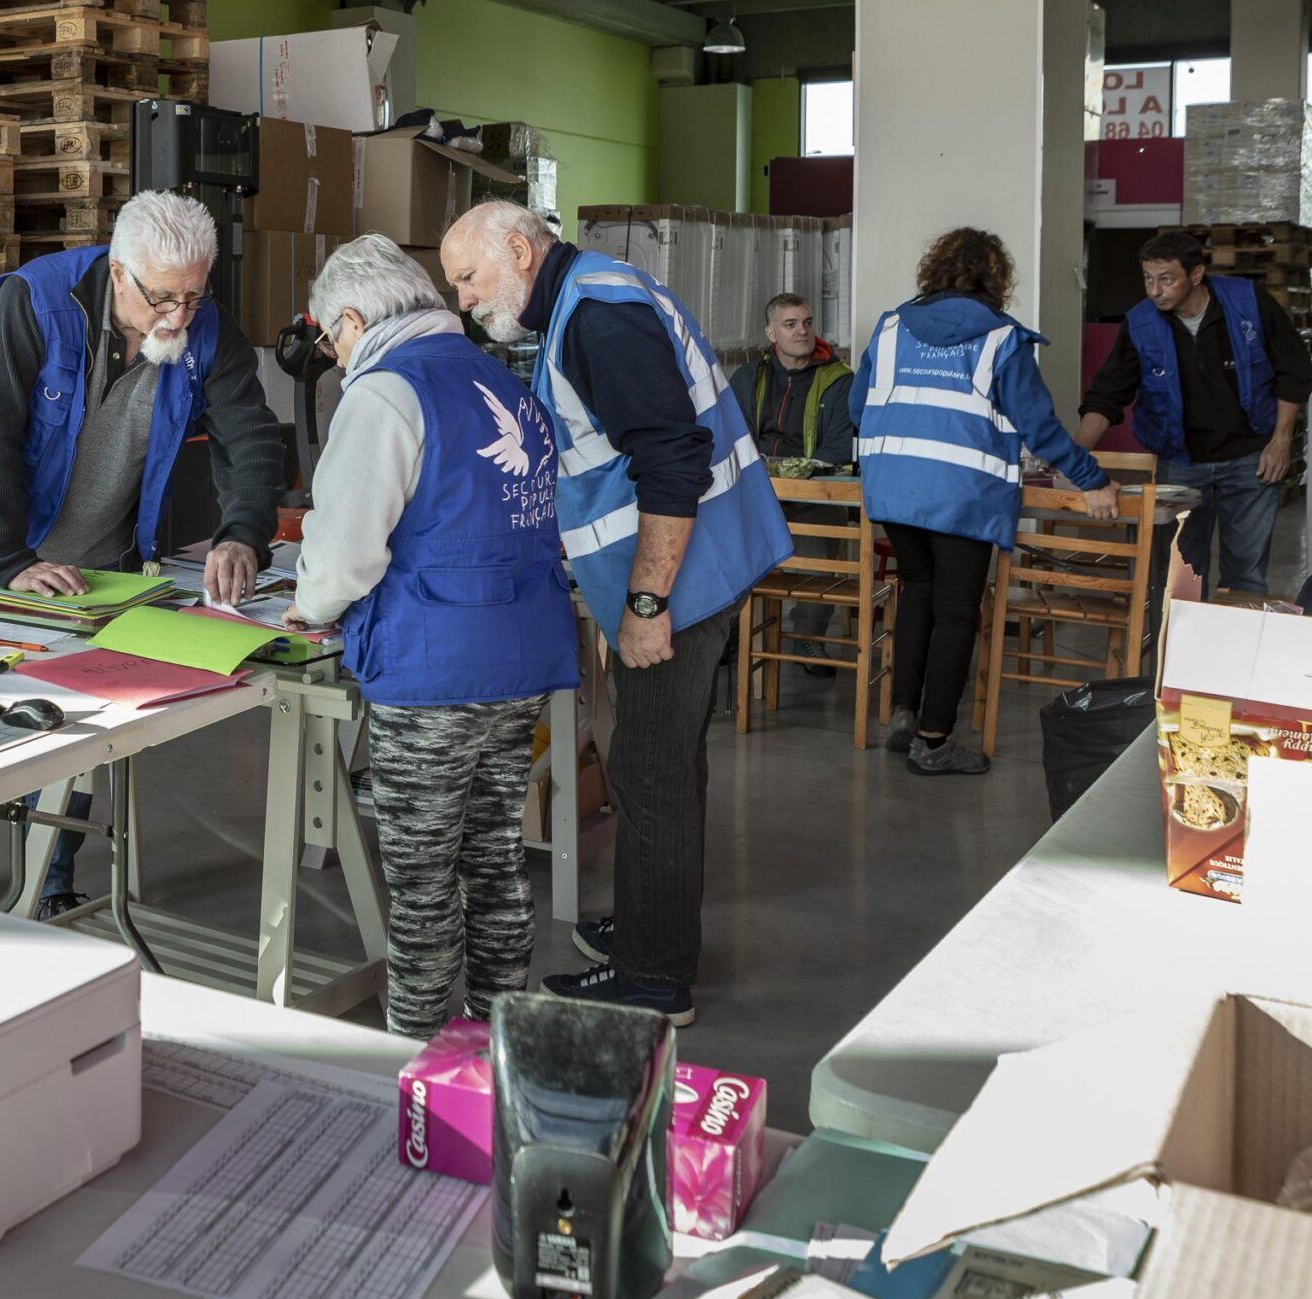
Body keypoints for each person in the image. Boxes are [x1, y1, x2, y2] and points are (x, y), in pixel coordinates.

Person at [438, 201, 792, 1027]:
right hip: (695, 567)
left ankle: (653, 978)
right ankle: (648, 922)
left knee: (651, 768)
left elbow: (671, 459)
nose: (462, 300)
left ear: (519, 251)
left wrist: (644, 604)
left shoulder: (597, 315)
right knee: (661, 759)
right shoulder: (587, 297)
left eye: (468, 278)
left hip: (683, 581)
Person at [0, 190, 284, 917]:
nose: (178, 315)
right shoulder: (36, 302)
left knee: (74, 718)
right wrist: (11, 559)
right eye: (162, 298)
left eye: (193, 296)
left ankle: (52, 880)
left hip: (98, 558)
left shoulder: (203, 329)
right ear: (118, 274)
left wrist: (243, 532)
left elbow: (253, 435)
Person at [280, 236, 578, 1040]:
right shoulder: (499, 379)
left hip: (432, 670)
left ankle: (411, 1062)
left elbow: (342, 557)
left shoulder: (385, 392)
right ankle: (495, 1042)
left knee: (420, 882)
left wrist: (309, 604)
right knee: (495, 864)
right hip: (520, 660)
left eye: (334, 338)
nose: (336, 357)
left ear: (352, 318)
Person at [853, 227, 1118, 777]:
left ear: (935, 270)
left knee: (916, 592)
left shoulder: (892, 326)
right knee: (955, 613)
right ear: (996, 278)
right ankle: (935, 741)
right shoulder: (1002, 338)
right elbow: (1039, 428)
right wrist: (1092, 481)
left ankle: (905, 713)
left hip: (894, 492)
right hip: (962, 498)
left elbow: (859, 406)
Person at [1076, 232, 1310, 596]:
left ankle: (1235, 651)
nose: (1155, 290)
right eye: (1148, 279)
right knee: (1180, 574)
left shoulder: (1248, 303)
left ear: (1196, 274)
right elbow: (1107, 395)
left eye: (1166, 278)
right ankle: (1180, 652)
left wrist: (1281, 441)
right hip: (1180, 462)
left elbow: (1294, 372)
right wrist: (1074, 456)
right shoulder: (1140, 323)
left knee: (1244, 577)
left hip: (1251, 459)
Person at [727, 292, 857, 671]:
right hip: (755, 492)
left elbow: (838, 449)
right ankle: (727, 635)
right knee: (717, 535)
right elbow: (732, 437)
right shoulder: (748, 377)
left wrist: (788, 472)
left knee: (819, 537)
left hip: (813, 492)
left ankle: (808, 639)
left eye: (807, 323)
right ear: (771, 332)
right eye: (790, 324)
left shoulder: (840, 381)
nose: (802, 331)